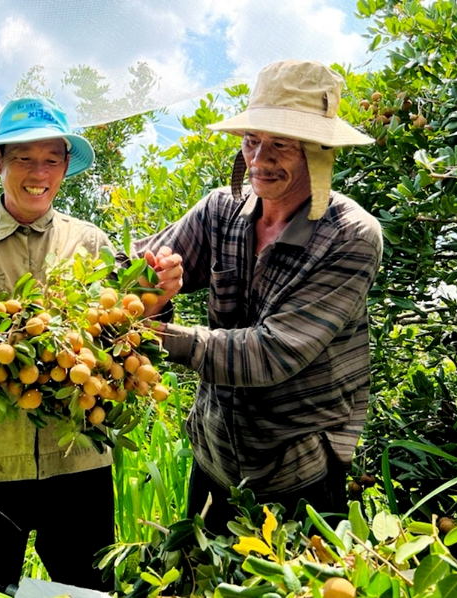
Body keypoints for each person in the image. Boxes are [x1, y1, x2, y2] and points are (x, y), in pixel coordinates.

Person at [0, 96, 176, 595]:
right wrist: (1, 338)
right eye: (24, 158)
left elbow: (127, 331)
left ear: (64, 167)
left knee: (81, 592)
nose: (39, 172)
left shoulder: (91, 243)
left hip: (77, 462)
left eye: (52, 159)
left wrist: (155, 300)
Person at [135, 60, 383, 533]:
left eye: (281, 145)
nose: (259, 159)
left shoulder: (350, 237)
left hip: (298, 470)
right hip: (214, 457)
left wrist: (157, 335)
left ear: (318, 151)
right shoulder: (221, 210)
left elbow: (272, 353)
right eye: (253, 140)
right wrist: (152, 284)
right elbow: (139, 270)